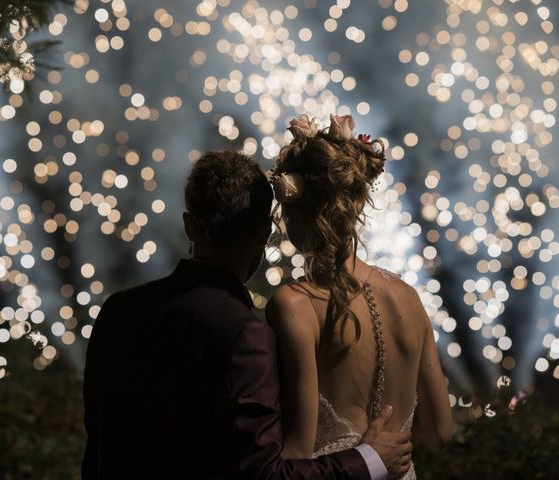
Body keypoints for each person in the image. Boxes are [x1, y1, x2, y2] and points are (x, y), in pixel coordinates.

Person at [82, 150, 412, 479]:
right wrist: (367, 461)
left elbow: (98, 448)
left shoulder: (117, 311)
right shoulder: (244, 336)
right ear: (264, 235)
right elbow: (264, 475)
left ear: (189, 226)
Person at [265, 114, 453, 478]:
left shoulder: (295, 306)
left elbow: (298, 453)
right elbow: (439, 433)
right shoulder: (408, 298)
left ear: (295, 208)